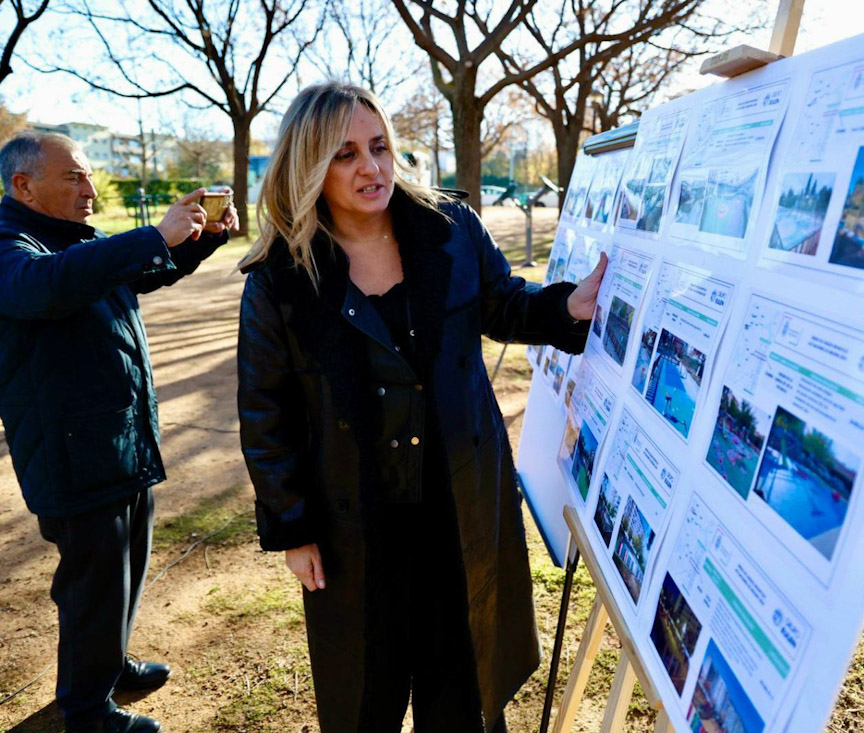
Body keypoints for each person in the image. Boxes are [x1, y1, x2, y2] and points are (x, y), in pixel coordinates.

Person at [236, 82, 605, 732]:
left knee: (463, 692)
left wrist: (564, 307)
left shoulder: (449, 228)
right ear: (308, 166)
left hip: (459, 510)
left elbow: (502, 302)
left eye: (379, 147)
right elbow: (266, 414)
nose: (371, 167)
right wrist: (292, 528)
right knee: (365, 700)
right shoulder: (280, 277)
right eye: (345, 154)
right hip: (355, 529)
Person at [0, 131, 238, 733]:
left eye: (89, 175)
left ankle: (109, 663)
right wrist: (153, 235)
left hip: (119, 440)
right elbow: (45, 286)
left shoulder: (74, 240)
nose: (90, 188)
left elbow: (137, 272)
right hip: (71, 452)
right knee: (93, 583)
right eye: (74, 176)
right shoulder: (11, 246)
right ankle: (87, 712)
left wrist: (200, 240)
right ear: (24, 186)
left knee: (124, 567)